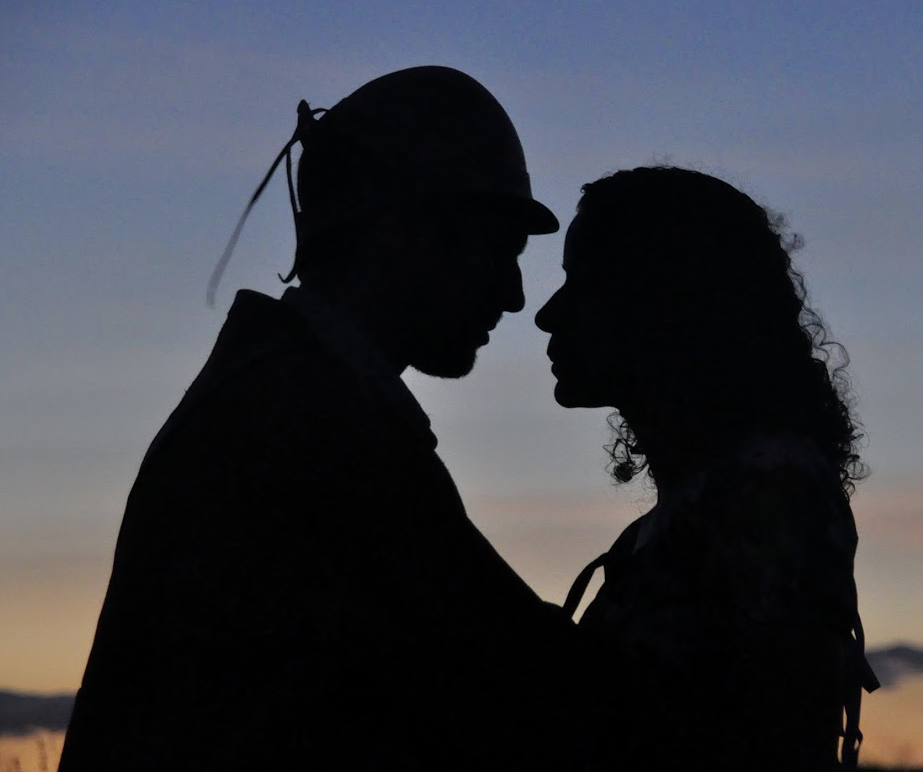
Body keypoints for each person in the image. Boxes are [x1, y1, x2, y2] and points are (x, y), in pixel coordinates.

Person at [58, 66, 626, 772]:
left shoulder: (278, 398)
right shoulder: (309, 425)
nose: (513, 297)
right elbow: (538, 690)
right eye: (496, 249)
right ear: (405, 228)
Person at [536, 166, 880, 771]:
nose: (548, 314)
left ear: (667, 298)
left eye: (585, 283)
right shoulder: (685, 513)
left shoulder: (772, 489)